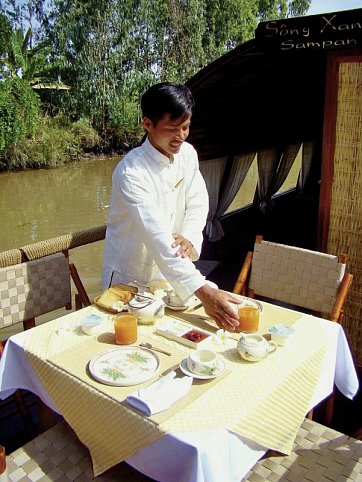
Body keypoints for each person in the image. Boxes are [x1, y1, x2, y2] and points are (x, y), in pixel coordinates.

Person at [102, 82, 239, 331]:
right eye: (172, 129)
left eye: (185, 127)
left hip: (171, 272)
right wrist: (205, 292)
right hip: (130, 278)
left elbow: (197, 200)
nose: (181, 137)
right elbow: (158, 238)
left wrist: (189, 235)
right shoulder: (131, 172)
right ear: (148, 124)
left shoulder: (187, 154)